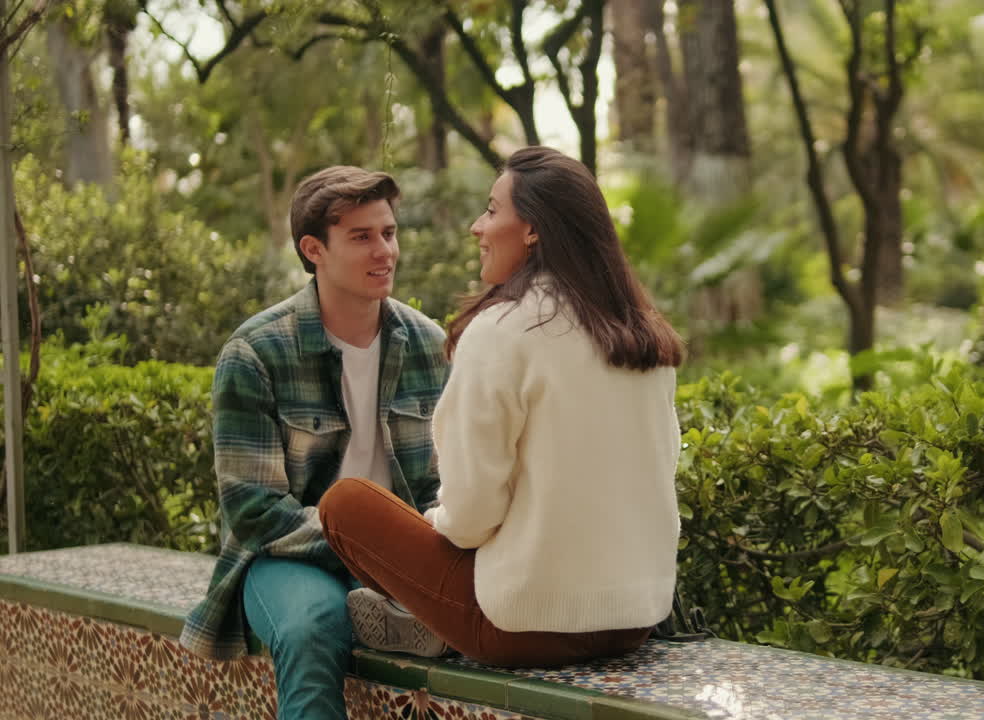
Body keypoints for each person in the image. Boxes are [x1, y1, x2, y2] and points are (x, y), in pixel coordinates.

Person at [318, 145, 684, 668]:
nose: (477, 226)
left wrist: (430, 525)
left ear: (532, 229)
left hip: (522, 629)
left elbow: (470, 519)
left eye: (492, 210)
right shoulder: (645, 335)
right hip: (635, 620)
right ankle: (428, 621)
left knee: (347, 504)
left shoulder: (502, 331)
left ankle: (433, 621)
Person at [179, 166, 449, 719]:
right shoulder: (255, 353)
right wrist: (367, 555)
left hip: (401, 556)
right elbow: (254, 510)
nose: (385, 251)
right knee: (311, 625)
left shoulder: (429, 345)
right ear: (313, 249)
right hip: (287, 557)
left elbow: (443, 484)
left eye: (389, 233)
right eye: (361, 237)